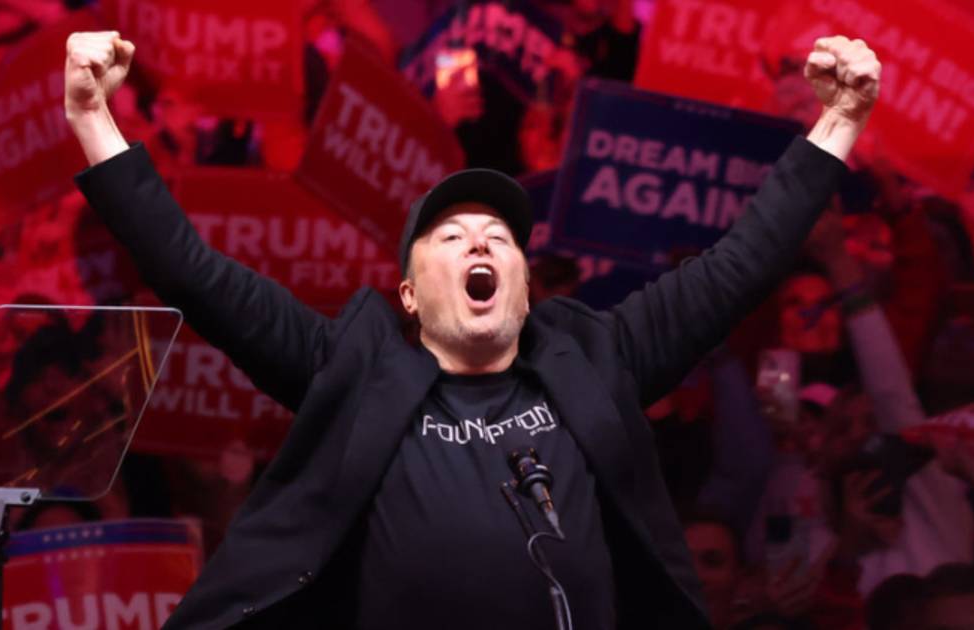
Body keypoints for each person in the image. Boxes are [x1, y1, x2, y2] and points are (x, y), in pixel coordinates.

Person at [63, 28, 880, 630]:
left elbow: (739, 265)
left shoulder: (600, 355)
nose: (482, 240)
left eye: (500, 235)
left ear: (526, 284)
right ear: (410, 296)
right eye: (451, 236)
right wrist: (96, 120)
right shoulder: (348, 366)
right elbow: (194, 276)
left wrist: (839, 121)